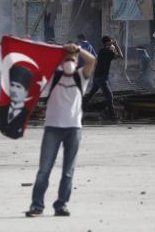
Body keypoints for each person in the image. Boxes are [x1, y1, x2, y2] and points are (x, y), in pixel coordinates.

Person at [25, 43, 95, 217]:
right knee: (44, 170)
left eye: (73, 59)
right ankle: (37, 205)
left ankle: (61, 205)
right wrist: (57, 52)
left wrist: (78, 50)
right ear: (61, 61)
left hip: (74, 129)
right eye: (67, 59)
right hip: (53, 128)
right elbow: (38, 67)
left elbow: (92, 60)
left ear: (77, 61)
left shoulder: (81, 77)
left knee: (68, 171)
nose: (70, 61)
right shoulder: (53, 76)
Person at [83, 36, 124, 121]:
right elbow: (121, 56)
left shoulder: (101, 50)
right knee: (109, 96)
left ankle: (80, 111)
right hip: (102, 78)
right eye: (111, 42)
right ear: (108, 43)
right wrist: (116, 45)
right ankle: (112, 117)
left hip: (97, 77)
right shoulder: (109, 51)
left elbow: (96, 62)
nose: (113, 43)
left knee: (90, 96)